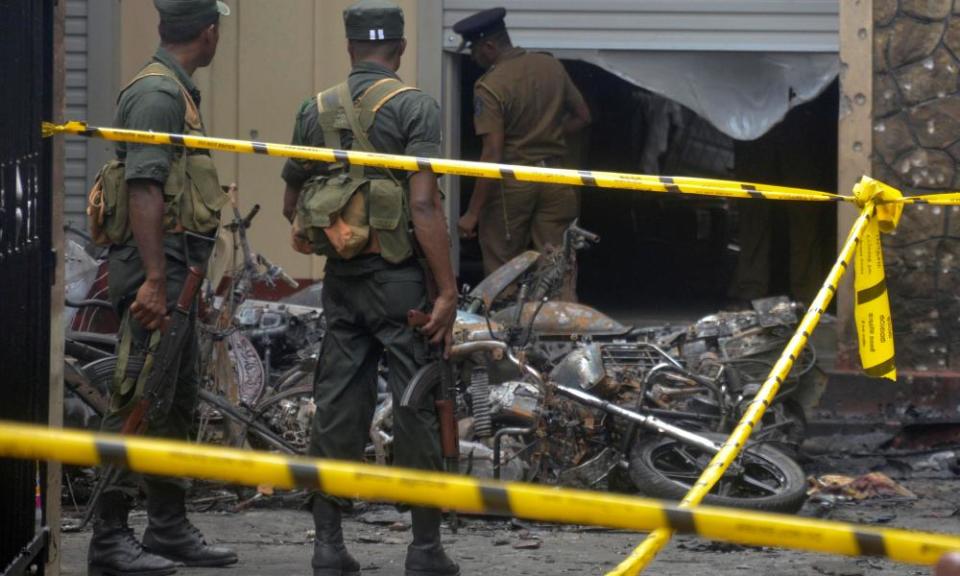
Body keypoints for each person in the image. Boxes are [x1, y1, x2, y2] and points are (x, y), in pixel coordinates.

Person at [280, 1, 459, 575]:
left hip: (342, 282)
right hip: (400, 281)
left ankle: (328, 547)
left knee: (336, 401)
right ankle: (425, 549)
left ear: (351, 48)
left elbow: (292, 205)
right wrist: (448, 291)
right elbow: (425, 203)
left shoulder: (314, 111)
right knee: (416, 403)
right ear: (400, 49)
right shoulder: (413, 107)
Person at [87, 1, 238, 575]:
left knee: (172, 399)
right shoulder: (156, 95)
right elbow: (145, 188)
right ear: (209, 33)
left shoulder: (175, 91)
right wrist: (153, 280)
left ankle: (168, 527)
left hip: (177, 271)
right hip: (159, 271)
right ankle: (108, 536)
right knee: (137, 396)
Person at [454, 6, 592, 281]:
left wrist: (472, 213)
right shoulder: (551, 66)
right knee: (557, 265)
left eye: (474, 50)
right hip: (556, 178)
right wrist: (548, 135)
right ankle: (560, 320)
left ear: (489, 46)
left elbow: (492, 153)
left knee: (504, 271)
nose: (473, 57)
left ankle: (505, 322)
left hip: (513, 183)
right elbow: (583, 116)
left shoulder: (490, 86)